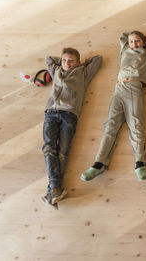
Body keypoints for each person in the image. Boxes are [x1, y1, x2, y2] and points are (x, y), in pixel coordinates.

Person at [81, 31, 146, 182]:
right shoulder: (124, 50)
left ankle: (140, 163)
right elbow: (123, 36)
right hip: (119, 89)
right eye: (131, 42)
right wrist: (131, 39)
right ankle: (99, 163)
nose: (134, 44)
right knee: (110, 125)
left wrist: (145, 41)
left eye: (137, 41)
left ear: (143, 42)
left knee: (136, 124)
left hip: (135, 88)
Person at [41, 47, 102, 207]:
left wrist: (82, 64)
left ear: (77, 62)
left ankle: (53, 189)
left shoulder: (83, 73)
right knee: (48, 149)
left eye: (71, 60)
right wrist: (61, 61)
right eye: (64, 60)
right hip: (51, 113)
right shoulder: (56, 70)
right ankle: (54, 188)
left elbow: (98, 59)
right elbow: (49, 58)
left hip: (69, 115)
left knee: (62, 152)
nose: (67, 63)